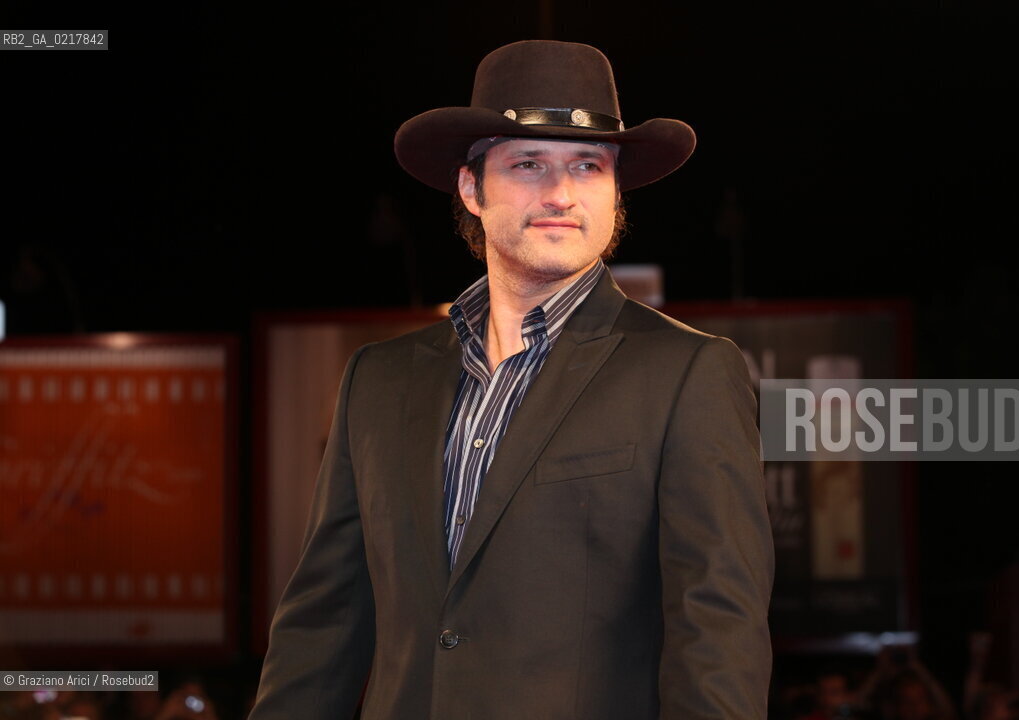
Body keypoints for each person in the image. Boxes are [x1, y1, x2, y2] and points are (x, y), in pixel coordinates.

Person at [248, 39, 774, 720]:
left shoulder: (689, 374)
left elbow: (718, 636)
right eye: (528, 164)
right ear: (471, 187)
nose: (560, 193)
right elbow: (319, 630)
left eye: (587, 166)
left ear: (615, 193)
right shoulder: (375, 383)